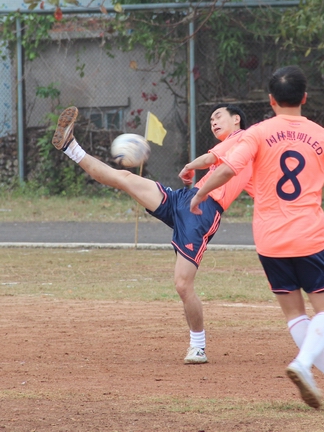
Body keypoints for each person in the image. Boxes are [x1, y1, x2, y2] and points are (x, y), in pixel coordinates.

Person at [189, 66, 324, 411]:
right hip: (308, 237)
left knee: (295, 314)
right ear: (305, 98)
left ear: (271, 100)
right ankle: (302, 363)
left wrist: (200, 192)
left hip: (269, 239)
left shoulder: (257, 133)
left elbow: (228, 168)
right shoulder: (323, 137)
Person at [52, 103, 253, 365]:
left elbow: (209, 160)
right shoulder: (238, 148)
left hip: (202, 210)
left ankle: (198, 346)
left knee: (182, 284)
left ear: (236, 119)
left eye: (218, 116)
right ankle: (71, 147)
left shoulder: (243, 138)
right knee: (124, 178)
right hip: (184, 199)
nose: (213, 122)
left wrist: (188, 166)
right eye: (211, 119)